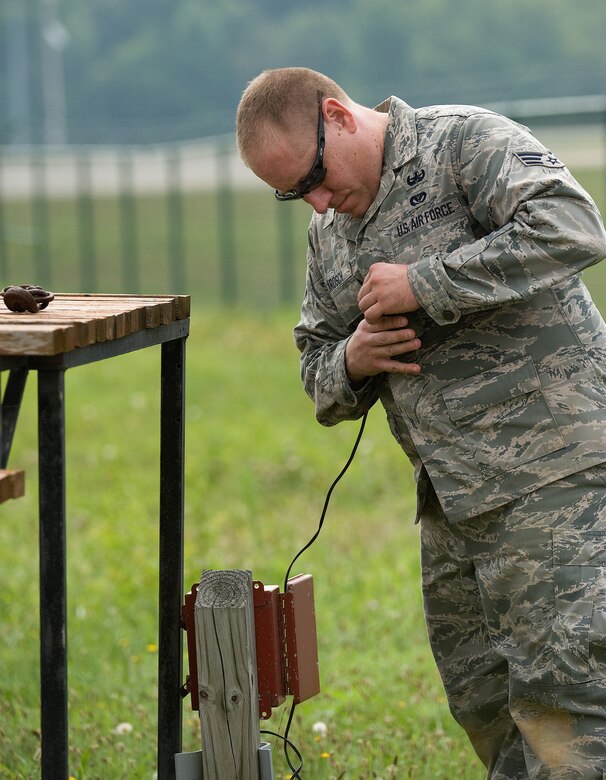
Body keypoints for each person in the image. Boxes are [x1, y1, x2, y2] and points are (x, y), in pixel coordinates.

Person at [236, 66, 606, 778]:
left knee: (570, 700)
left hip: (554, 479)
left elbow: (573, 225)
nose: (315, 199)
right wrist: (355, 358)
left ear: (338, 117)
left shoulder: (463, 144)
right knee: (484, 700)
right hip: (452, 500)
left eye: (313, 174)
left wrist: (426, 282)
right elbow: (316, 363)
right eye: (292, 194)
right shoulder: (331, 233)